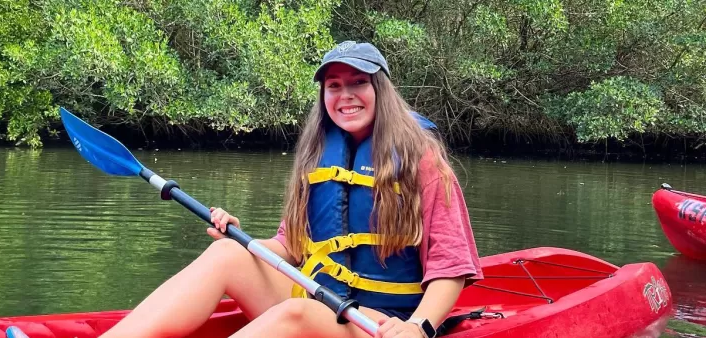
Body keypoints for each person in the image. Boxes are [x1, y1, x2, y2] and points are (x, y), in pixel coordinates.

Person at [100, 41, 483, 338]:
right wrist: (240, 238)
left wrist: (419, 327)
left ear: (381, 89)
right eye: (334, 86)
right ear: (324, 96)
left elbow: (451, 268)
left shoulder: (422, 158)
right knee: (225, 255)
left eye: (358, 83)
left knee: (295, 316)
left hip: (381, 325)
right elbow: (292, 246)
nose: (345, 95)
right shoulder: (318, 156)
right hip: (324, 299)